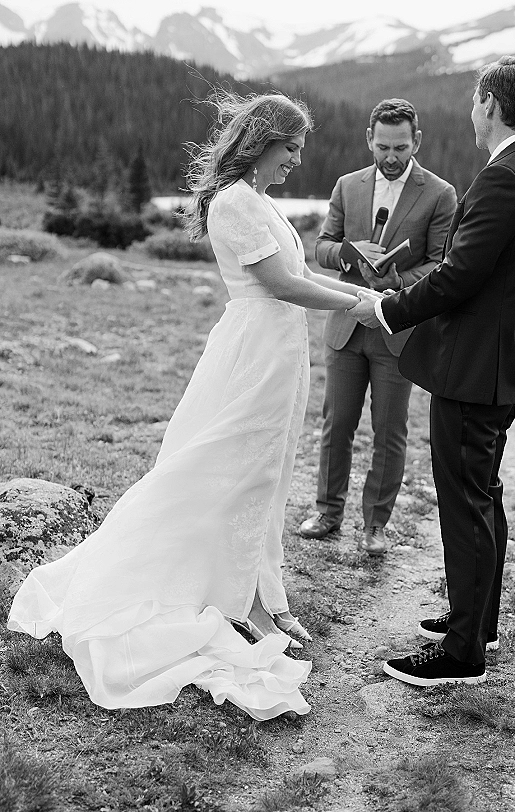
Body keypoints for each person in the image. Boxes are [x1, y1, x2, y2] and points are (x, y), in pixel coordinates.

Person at [8, 92, 379, 720]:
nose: (297, 160)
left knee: (269, 474)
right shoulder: (234, 202)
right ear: (264, 141)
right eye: (292, 148)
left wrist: (370, 293)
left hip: (281, 348)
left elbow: (303, 280)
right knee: (235, 470)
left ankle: (263, 592)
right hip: (256, 351)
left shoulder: (258, 200)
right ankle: (246, 600)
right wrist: (362, 305)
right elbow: (283, 283)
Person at [350, 53, 515, 685]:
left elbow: (460, 274)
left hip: (473, 368)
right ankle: (479, 620)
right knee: (482, 495)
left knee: (464, 502)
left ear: (491, 105)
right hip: (491, 363)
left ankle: (463, 652)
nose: (471, 112)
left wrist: (387, 306)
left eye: (474, 101)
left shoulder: (506, 176)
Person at [299, 99, 456, 555]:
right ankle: (328, 512)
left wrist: (398, 283)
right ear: (369, 139)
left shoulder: (440, 193)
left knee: (390, 430)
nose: (390, 156)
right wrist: (350, 252)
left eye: (400, 147)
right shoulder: (347, 186)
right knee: (337, 424)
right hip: (347, 322)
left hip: (398, 329)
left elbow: (441, 264)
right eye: (382, 146)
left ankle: (376, 525)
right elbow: (321, 248)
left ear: (416, 142)